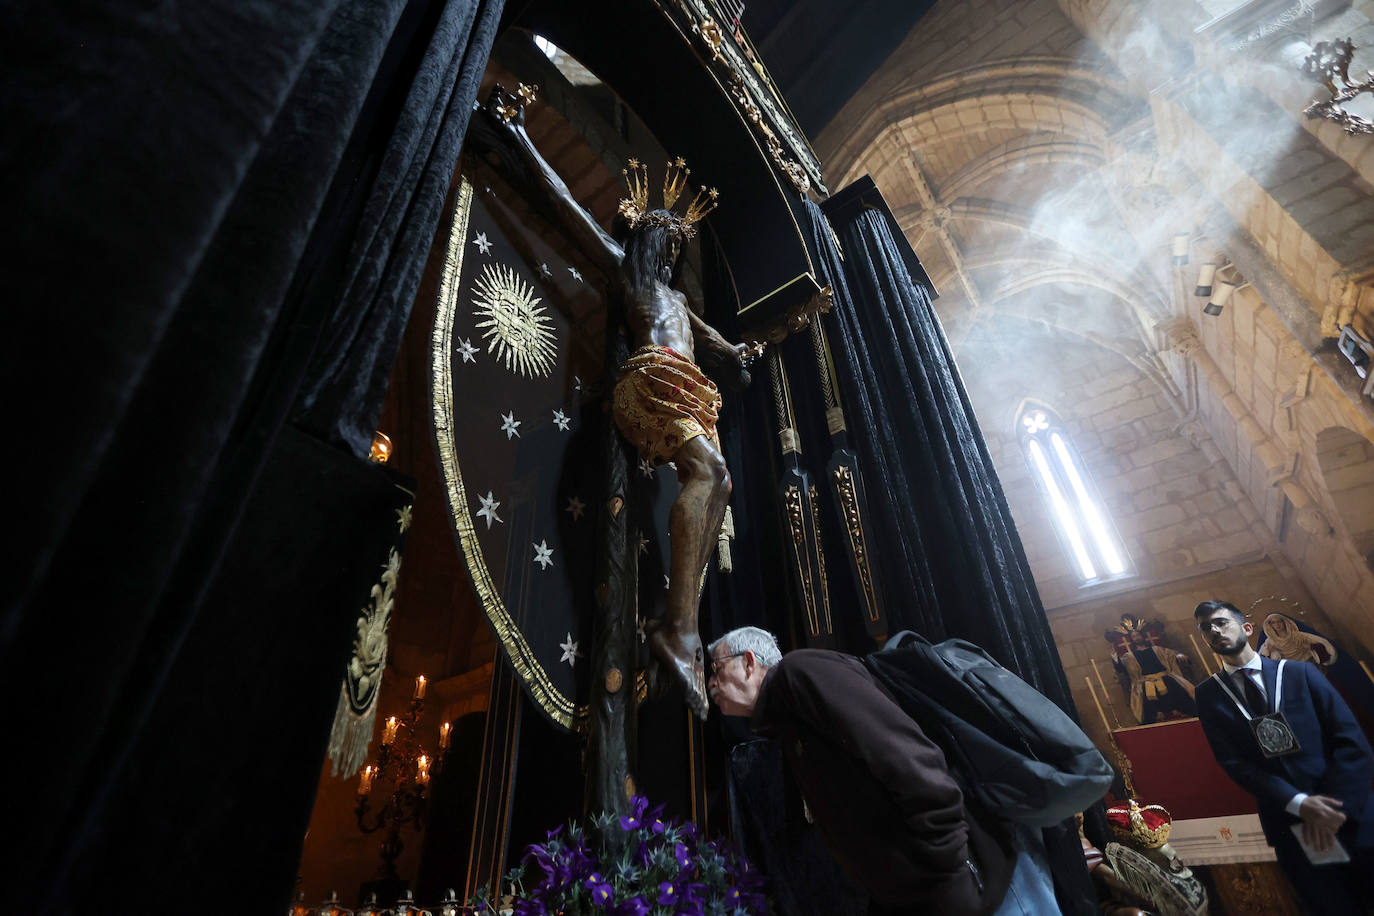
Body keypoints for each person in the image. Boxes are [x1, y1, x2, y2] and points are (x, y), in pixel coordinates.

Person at [479, 87, 756, 718]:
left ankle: (676, 620)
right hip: (648, 384)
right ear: (648, 243)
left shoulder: (680, 304)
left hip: (683, 387)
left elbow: (721, 351)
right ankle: (679, 632)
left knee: (724, 482)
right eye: (664, 240)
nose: (670, 251)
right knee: (710, 472)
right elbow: (566, 210)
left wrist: (742, 357)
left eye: (675, 246)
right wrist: (520, 138)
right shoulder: (631, 276)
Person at [707, 626, 1060, 915]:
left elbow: (913, 761)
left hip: (977, 886)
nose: (710, 683)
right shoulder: (784, 720)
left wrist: (952, 875)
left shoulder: (800, 673)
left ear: (749, 662)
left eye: (716, 668)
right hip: (930, 892)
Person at [1193, 599, 1374, 913]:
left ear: (1247, 628)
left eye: (1221, 622)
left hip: (1351, 812)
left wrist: (1333, 806)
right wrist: (1301, 804)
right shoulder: (1208, 694)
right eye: (1206, 628)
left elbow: (1350, 741)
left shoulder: (1301, 672)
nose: (1214, 630)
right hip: (1290, 823)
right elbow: (1233, 762)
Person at [1117, 629, 1196, 724]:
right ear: (1131, 640)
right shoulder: (1129, 656)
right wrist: (1115, 660)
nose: (1136, 638)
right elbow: (1121, 666)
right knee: (1146, 690)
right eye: (1134, 636)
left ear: (1142, 636)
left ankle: (1178, 710)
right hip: (1146, 680)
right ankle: (1156, 715)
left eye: (1138, 635)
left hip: (1165, 676)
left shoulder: (1157, 649)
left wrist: (1179, 654)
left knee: (1171, 684)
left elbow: (1171, 654)